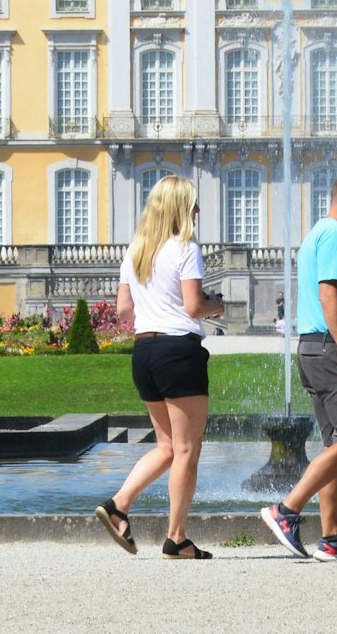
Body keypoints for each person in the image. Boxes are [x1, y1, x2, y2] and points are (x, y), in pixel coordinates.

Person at [93, 175, 226, 559]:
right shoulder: (186, 247)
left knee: (168, 446)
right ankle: (177, 537)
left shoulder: (136, 250)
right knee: (187, 449)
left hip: (144, 351)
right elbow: (192, 307)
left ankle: (119, 506)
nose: (198, 211)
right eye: (194, 204)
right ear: (181, 208)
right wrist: (215, 305)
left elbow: (123, 311)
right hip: (178, 351)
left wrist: (155, 305)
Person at [261, 169, 337, 562]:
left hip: (315, 348)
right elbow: (328, 292)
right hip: (329, 349)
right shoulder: (334, 236)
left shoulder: (318, 233)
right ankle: (286, 510)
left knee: (336, 444)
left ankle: (331, 536)